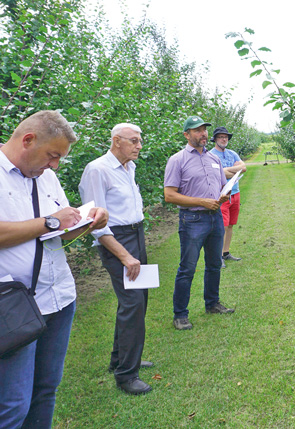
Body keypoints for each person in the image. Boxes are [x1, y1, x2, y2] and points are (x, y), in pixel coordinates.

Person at [0, 110, 109, 428]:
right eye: (53, 155)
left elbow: (59, 231)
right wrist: (50, 221)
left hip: (59, 297)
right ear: (28, 140)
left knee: (45, 391)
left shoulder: (46, 176)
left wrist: (89, 222)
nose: (55, 165)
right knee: (12, 405)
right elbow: (48, 223)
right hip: (14, 306)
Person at [78, 123, 153, 395]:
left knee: (139, 301)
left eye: (139, 140)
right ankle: (126, 375)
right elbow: (95, 223)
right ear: (116, 141)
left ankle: (121, 358)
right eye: (134, 141)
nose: (139, 146)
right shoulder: (98, 170)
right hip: (117, 240)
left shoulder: (128, 167)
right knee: (132, 303)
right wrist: (125, 255)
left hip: (136, 233)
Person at [164, 116, 234, 331]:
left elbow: (223, 186)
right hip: (193, 220)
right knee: (187, 268)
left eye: (204, 130)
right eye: (197, 130)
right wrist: (201, 201)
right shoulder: (177, 160)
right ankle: (180, 314)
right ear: (187, 135)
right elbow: (169, 195)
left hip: (214, 218)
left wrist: (224, 195)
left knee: (214, 264)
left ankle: (212, 303)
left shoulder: (214, 159)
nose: (202, 133)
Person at [210, 126, 247, 267]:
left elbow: (243, 168)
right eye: (220, 137)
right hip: (222, 195)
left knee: (230, 225)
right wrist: (233, 171)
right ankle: (217, 256)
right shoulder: (211, 155)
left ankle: (226, 252)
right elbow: (217, 174)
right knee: (222, 226)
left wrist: (226, 171)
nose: (224, 139)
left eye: (225, 137)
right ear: (215, 139)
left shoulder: (232, 154)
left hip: (235, 193)